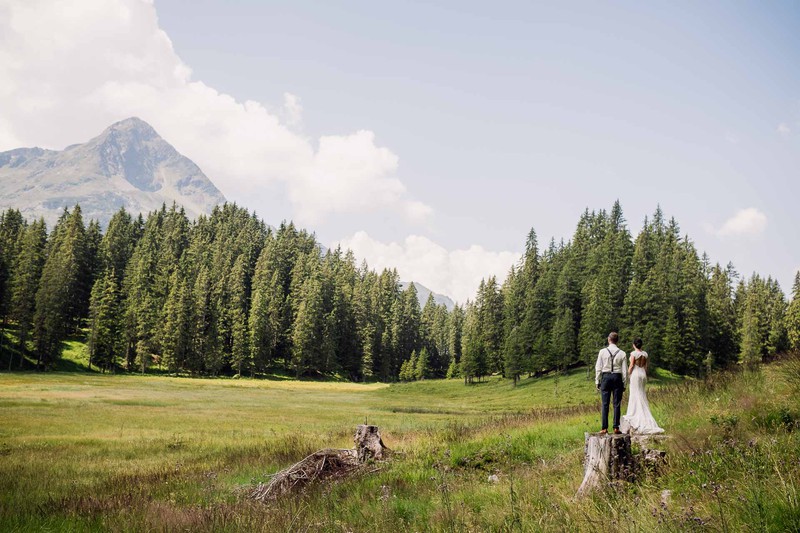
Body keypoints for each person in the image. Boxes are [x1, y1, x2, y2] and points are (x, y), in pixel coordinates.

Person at [620, 338, 664, 434]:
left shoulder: (633, 354)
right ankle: (644, 414)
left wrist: (627, 375)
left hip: (635, 374)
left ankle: (634, 413)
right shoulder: (645, 354)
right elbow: (646, 366)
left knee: (635, 393)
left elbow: (631, 365)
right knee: (641, 393)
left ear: (634, 345)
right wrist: (645, 374)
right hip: (642, 373)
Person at [594, 332, 627, 435]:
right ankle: (616, 427)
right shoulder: (622, 353)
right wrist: (624, 384)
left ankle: (604, 428)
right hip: (617, 378)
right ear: (617, 340)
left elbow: (598, 368)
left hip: (606, 377)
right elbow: (625, 371)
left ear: (609, 339)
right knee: (617, 404)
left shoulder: (602, 352)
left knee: (605, 404)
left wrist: (597, 381)